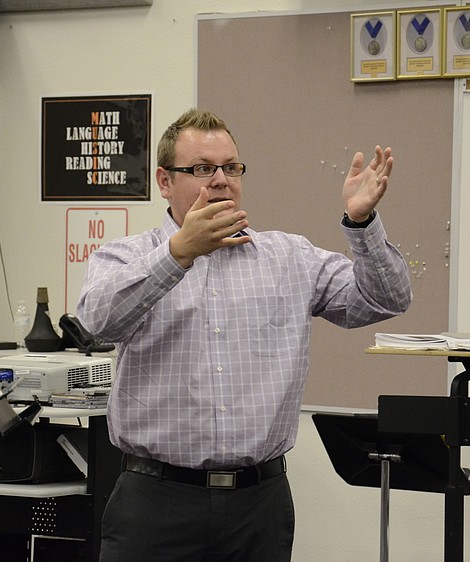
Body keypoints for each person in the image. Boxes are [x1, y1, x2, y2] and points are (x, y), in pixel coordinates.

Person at [77, 108, 412, 562]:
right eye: (201, 169)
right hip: (156, 503)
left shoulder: (288, 257)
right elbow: (98, 320)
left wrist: (361, 224)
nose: (220, 180)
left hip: (259, 506)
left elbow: (385, 299)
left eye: (230, 167)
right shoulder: (124, 257)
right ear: (164, 181)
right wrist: (178, 255)